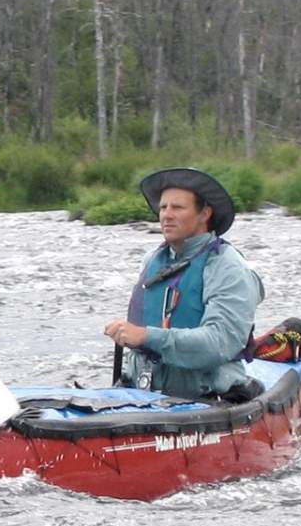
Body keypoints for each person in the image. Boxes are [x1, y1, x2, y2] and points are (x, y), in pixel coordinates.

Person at [102, 167, 265, 401]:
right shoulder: (153, 260)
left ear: (205, 213)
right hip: (143, 396)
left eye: (177, 207)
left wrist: (146, 336)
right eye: (163, 207)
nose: (166, 215)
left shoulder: (228, 268)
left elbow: (218, 343)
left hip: (207, 400)